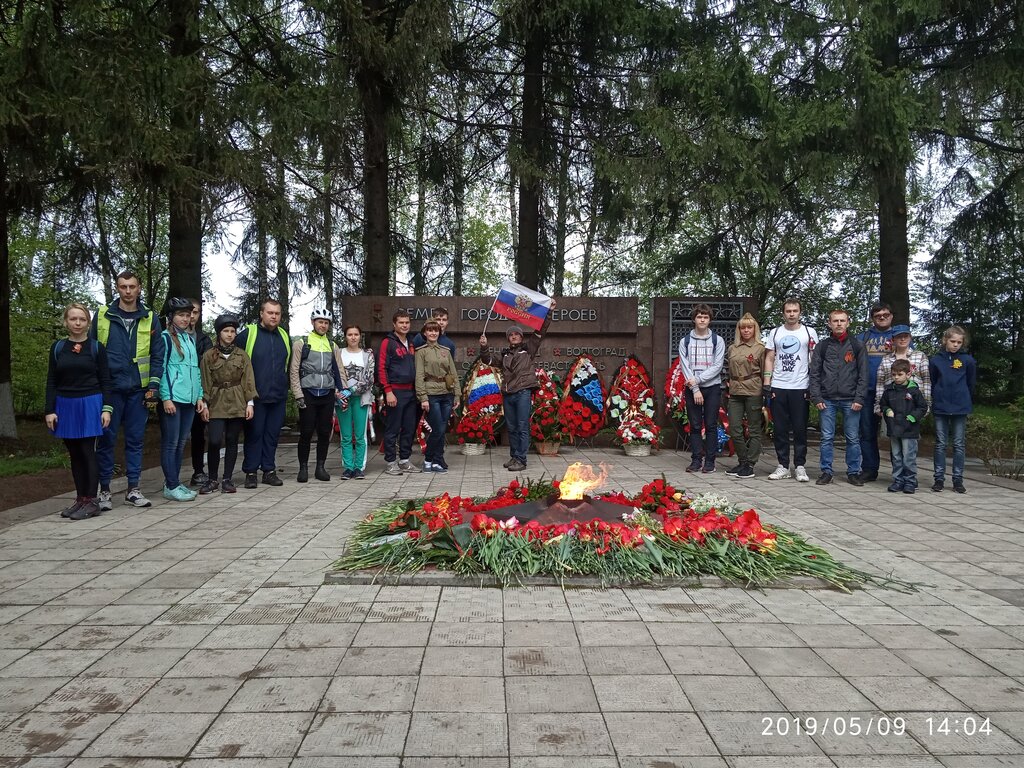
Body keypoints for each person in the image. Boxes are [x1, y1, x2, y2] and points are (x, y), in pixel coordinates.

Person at [91, 270, 165, 510]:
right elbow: (92, 350)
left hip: (138, 390)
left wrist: (153, 386)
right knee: (106, 440)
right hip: (110, 389)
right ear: (117, 288)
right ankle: (104, 491)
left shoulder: (150, 317)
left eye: (132, 286)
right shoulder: (103, 315)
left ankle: (133, 488)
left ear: (139, 288)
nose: (128, 291)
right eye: (123, 287)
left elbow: (157, 354)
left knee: (135, 440)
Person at [45, 304, 113, 520]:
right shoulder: (58, 348)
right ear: (66, 321)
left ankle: (92, 500)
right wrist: (50, 410)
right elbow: (52, 380)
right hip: (65, 405)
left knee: (87, 451)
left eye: (81, 319)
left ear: (88, 323)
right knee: (74, 454)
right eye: (73, 319)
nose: (77, 323)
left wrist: (107, 408)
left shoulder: (96, 348)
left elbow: (105, 380)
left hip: (90, 402)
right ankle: (81, 498)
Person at [479, 301, 556, 472]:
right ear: (508, 338)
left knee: (522, 426)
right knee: (512, 427)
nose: (513, 336)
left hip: (522, 393)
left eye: (516, 334)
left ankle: (521, 459)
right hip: (508, 394)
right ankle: (514, 457)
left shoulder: (528, 349)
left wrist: (548, 313)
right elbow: (488, 360)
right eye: (511, 335)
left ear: (521, 337)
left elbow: (541, 332)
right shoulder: (504, 355)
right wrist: (484, 347)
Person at [809, 308, 868, 486]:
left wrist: (859, 398)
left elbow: (863, 375)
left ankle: (853, 472)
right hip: (827, 399)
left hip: (850, 399)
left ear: (848, 323)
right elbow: (815, 374)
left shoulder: (857, 345)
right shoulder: (823, 346)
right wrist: (817, 398)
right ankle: (826, 471)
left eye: (842, 321)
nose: (839, 324)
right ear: (829, 323)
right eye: (835, 321)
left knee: (852, 437)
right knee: (827, 437)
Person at [236, 300, 291, 488]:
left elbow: (288, 365)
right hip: (255, 397)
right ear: (261, 314)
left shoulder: (284, 336)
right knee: (254, 434)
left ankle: (269, 470)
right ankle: (250, 472)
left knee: (272, 434)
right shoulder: (248, 334)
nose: (274, 316)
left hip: (278, 395)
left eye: (277, 313)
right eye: (270, 312)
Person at [200, 314, 257, 493]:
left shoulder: (241, 355)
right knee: (215, 440)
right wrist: (205, 404)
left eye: (233, 331)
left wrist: (250, 403)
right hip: (216, 401)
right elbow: (205, 380)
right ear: (219, 333)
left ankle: (227, 479)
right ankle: (211, 479)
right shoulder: (209, 355)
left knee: (232, 439)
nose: (230, 334)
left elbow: (248, 380)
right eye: (226, 331)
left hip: (236, 400)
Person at [763, 298, 819, 482]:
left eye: (795, 311)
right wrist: (767, 383)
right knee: (780, 428)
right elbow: (769, 358)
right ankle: (783, 465)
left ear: (800, 312)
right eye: (788, 311)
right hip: (779, 385)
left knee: (800, 428)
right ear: (783, 313)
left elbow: (814, 360)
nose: (792, 314)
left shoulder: (809, 332)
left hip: (800, 386)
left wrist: (812, 385)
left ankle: (800, 466)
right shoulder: (775, 332)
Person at [158, 298, 207, 501]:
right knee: (170, 443)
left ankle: (175, 482)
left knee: (180, 444)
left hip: (189, 399)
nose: (186, 319)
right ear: (171, 317)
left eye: (188, 315)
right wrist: (166, 397)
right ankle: (170, 484)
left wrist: (199, 396)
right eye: (181, 315)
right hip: (173, 399)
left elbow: (195, 370)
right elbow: (160, 369)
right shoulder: (165, 338)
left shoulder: (189, 339)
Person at [290, 308, 343, 483]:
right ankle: (303, 467)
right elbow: (294, 370)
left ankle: (321, 467)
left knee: (324, 431)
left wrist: (342, 392)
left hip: (327, 393)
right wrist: (298, 394)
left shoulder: (332, 345)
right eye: (320, 322)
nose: (323, 325)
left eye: (326, 322)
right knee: (306, 432)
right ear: (313, 322)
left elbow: (339, 369)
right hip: (308, 393)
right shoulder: (302, 343)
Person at [677, 304, 725, 473]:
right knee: (695, 425)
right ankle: (696, 460)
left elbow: (717, 366)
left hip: (711, 387)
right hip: (692, 389)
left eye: (705, 317)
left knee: (711, 425)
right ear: (694, 319)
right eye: (699, 317)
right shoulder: (685, 341)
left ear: (710, 320)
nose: (702, 320)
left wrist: (697, 380)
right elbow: (685, 366)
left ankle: (710, 462)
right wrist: (695, 388)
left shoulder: (717, 340)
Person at [929, 326, 976, 494]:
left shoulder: (968, 360)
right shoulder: (936, 360)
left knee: (958, 444)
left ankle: (958, 479)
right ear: (945, 341)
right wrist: (937, 397)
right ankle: (939, 478)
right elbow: (933, 382)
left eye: (959, 342)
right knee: (941, 443)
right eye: (952, 341)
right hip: (941, 405)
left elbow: (971, 383)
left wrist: (964, 398)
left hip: (960, 406)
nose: (955, 345)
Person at [857, 302, 896, 481]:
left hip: (894, 393)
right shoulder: (863, 337)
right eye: (878, 316)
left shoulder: (899, 336)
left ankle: (900, 472)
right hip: (867, 391)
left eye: (885, 315)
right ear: (872, 318)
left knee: (898, 432)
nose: (882, 318)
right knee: (866, 432)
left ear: (891, 316)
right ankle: (869, 469)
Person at [416, 319, 461, 473]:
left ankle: (435, 461)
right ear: (425, 333)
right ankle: (429, 459)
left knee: (442, 429)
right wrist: (423, 397)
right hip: (431, 394)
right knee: (438, 429)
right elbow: (419, 375)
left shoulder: (445, 350)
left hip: (446, 393)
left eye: (436, 330)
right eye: (430, 330)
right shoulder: (421, 352)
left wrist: (457, 395)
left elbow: (453, 373)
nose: (433, 333)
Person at [725, 312, 766, 480]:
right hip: (735, 391)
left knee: (754, 429)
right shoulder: (732, 348)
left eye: (750, 327)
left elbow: (765, 371)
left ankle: (750, 464)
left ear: (754, 329)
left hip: (753, 390)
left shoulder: (761, 348)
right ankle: (742, 461)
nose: (746, 330)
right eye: (743, 328)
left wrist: (766, 391)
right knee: (734, 428)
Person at [378, 310, 419, 475]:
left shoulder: (411, 342)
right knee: (393, 428)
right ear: (394, 324)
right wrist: (388, 391)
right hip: (395, 391)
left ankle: (404, 461)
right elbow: (381, 368)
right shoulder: (387, 342)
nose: (404, 325)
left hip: (411, 392)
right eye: (401, 322)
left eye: (407, 322)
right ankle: (390, 462)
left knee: (409, 428)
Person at [879, 359, 928, 494]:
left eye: (899, 374)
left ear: (908, 374)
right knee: (896, 456)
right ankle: (898, 480)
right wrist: (886, 410)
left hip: (909, 429)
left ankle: (910, 481)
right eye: (894, 375)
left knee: (908, 456)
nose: (896, 377)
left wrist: (912, 417)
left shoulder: (914, 391)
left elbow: (923, 407)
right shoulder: (889, 390)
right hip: (894, 428)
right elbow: (883, 404)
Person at [336, 324, 375, 480]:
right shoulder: (338, 353)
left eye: (356, 334)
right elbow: (334, 375)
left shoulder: (367, 355)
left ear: (360, 336)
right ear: (345, 336)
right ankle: (348, 468)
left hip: (361, 398)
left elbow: (369, 378)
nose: (353, 337)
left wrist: (351, 390)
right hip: (342, 400)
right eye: (350, 334)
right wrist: (339, 393)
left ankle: (359, 467)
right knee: (345, 435)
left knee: (360, 435)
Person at [187, 298, 214, 487]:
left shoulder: (204, 340)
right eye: (187, 312)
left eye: (195, 312)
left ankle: (198, 470)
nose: (191, 316)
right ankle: (170, 477)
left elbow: (208, 369)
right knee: (176, 438)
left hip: (198, 394)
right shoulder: (168, 337)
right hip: (177, 393)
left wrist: (205, 397)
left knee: (198, 434)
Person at [874, 324, 931, 411]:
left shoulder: (920, 356)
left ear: (910, 338)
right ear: (893, 339)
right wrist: (879, 405)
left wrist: (926, 404)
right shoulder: (886, 359)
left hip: (914, 406)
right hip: (891, 406)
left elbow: (926, 380)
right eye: (899, 336)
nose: (903, 339)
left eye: (906, 336)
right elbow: (880, 384)